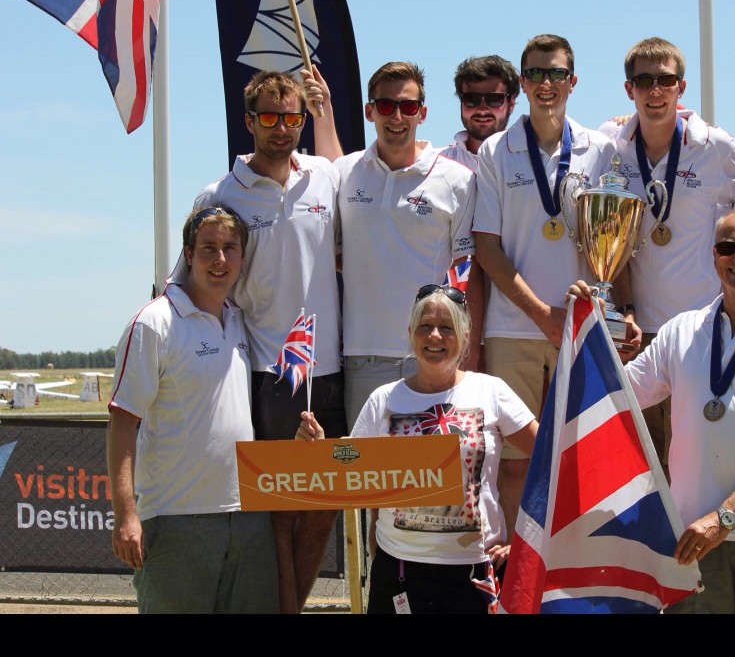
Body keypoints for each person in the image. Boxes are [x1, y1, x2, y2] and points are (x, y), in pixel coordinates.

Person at [570, 204, 735, 614]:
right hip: (692, 536)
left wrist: (723, 519)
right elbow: (619, 397)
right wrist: (588, 329)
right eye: (727, 247)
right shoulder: (681, 330)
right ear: (714, 255)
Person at [183, 70, 345, 614]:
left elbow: (347, 172)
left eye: (292, 117)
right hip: (267, 373)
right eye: (270, 117)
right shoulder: (220, 194)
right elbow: (187, 280)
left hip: (330, 369)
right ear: (249, 121)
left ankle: (287, 608)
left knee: (324, 505)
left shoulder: (323, 177)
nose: (282, 128)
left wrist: (326, 112)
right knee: (280, 507)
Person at [296, 284, 538, 614]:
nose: (435, 336)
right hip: (399, 576)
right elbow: (349, 472)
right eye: (425, 326)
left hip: (474, 577)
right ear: (411, 332)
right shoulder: (383, 400)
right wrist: (319, 451)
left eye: (446, 327)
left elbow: (549, 457)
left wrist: (524, 542)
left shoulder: (491, 391)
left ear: (465, 336)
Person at [473, 33, 616, 536]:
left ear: (573, 82)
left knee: (581, 460)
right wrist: (543, 315)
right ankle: (518, 569)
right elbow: (486, 247)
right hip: (513, 329)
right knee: (515, 464)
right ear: (523, 83)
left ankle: (570, 570)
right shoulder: (496, 150)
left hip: (582, 328)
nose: (546, 84)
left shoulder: (602, 148)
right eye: (535, 74)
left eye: (556, 73)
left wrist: (600, 312)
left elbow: (613, 241)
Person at [107, 206, 278, 614]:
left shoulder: (240, 321)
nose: (220, 259)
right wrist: (125, 515)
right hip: (176, 520)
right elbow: (122, 423)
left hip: (248, 517)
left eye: (229, 248)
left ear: (242, 257)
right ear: (188, 254)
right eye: (208, 248)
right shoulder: (154, 324)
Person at [598, 37, 735, 475]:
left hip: (700, 334)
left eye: (665, 80)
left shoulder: (716, 146)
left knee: (695, 463)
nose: (655, 90)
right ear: (629, 89)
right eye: (644, 80)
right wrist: (625, 310)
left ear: (681, 87)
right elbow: (608, 238)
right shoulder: (611, 146)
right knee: (640, 468)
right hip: (637, 335)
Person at [331, 61, 477, 428]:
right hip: (362, 355)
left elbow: (469, 270)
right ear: (370, 111)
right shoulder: (343, 173)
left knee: (433, 464)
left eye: (408, 106)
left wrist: (467, 349)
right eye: (386, 105)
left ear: (422, 114)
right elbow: (333, 253)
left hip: (432, 353)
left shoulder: (458, 180)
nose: (397, 116)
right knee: (365, 463)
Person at [437, 55, 521, 371]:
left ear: (512, 102)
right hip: (453, 328)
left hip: (515, 325)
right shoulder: (436, 165)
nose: (482, 108)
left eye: (494, 99)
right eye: (471, 99)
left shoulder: (532, 162)